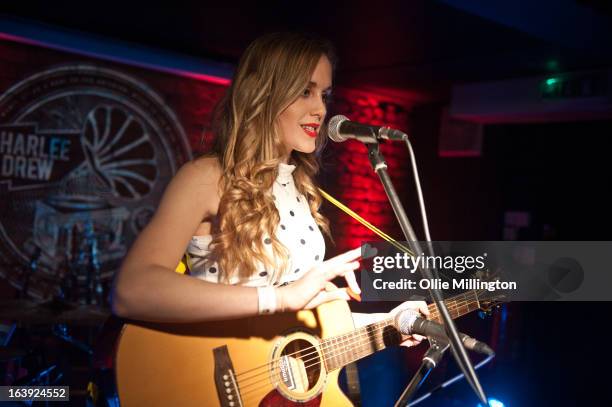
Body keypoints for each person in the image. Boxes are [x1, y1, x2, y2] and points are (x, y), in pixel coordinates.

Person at [111, 32, 427, 347]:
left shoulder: (302, 189)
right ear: (265, 95)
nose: (320, 109)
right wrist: (282, 297)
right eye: (306, 91)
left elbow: (294, 328)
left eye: (324, 96)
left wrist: (390, 324)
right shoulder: (207, 177)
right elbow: (132, 290)